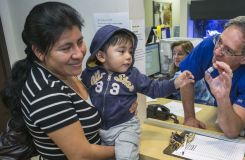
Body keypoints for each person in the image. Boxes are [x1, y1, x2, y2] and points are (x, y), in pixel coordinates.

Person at [0, 2, 126, 159]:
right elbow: (81, 155)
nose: (79, 54)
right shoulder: (46, 93)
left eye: (79, 42)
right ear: (39, 52)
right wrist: (126, 147)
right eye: (66, 48)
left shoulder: (64, 71)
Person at [81, 25, 194, 159]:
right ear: (101, 55)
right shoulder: (89, 74)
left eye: (130, 51)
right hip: (100, 129)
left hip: (125, 127)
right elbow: (79, 91)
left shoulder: (133, 75)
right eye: (121, 51)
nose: (129, 56)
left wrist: (175, 83)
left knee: (126, 157)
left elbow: (154, 87)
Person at [179, 16, 245, 138]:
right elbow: (187, 78)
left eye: (228, 50)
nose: (217, 51)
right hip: (220, 110)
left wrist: (222, 97)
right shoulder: (208, 45)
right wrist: (189, 117)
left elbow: (232, 131)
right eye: (220, 41)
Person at [169, 40, 215, 105]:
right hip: (208, 104)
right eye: (174, 53)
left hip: (202, 108)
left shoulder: (186, 73)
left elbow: (167, 90)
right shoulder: (198, 67)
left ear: (189, 55)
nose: (176, 57)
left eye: (180, 54)